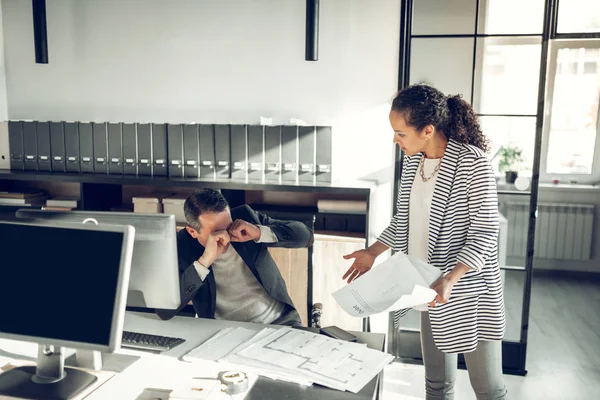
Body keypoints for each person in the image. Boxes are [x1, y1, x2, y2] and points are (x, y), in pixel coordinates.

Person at [343, 84, 507, 399]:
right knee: (437, 384)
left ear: (428, 130)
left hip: (467, 290)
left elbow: (486, 230)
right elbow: (403, 220)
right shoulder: (413, 162)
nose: (395, 139)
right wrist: (373, 252)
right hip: (428, 287)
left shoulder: (473, 163)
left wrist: (452, 277)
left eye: (401, 133)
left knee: (488, 388)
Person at [156, 188, 313, 327]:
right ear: (192, 232)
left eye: (228, 225)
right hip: (223, 331)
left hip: (280, 321)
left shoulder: (245, 217)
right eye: (217, 231)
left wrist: (259, 232)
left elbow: (305, 236)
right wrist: (204, 262)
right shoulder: (181, 246)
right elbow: (164, 310)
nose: (227, 235)